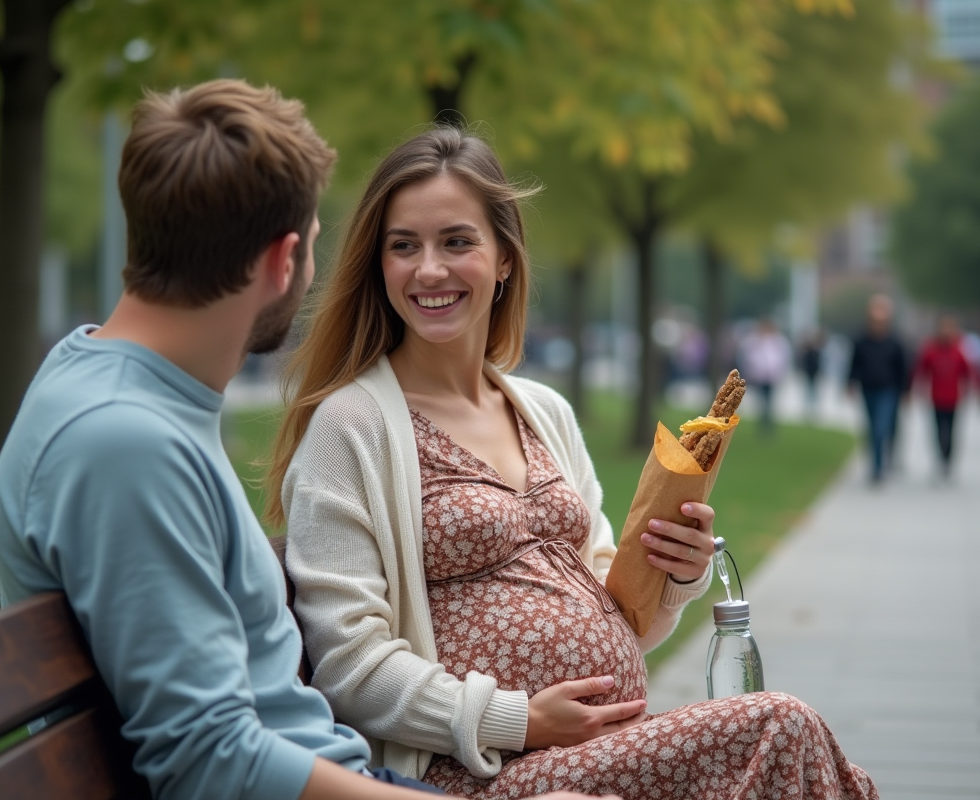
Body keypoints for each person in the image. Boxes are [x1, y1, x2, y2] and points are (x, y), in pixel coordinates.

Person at [0, 80, 597, 800]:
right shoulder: (124, 445)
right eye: (311, 245)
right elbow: (211, 762)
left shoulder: (110, 390)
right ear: (282, 261)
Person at [267, 127, 878, 799]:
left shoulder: (543, 410)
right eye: (403, 245)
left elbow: (624, 616)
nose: (429, 269)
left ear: (504, 258)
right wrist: (517, 720)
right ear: (378, 265)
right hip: (477, 772)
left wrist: (674, 575)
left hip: (604, 747)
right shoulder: (350, 426)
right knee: (779, 729)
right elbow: (348, 664)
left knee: (788, 747)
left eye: (457, 241)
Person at [847, 294, 908, 485]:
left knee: (882, 427)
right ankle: (876, 463)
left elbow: (902, 368)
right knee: (872, 428)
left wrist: (906, 390)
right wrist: (850, 383)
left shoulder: (894, 341)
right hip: (868, 388)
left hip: (889, 390)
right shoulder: (862, 340)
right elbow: (854, 364)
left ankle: (879, 467)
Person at [913, 315, 980, 478]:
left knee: (951, 432)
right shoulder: (930, 349)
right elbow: (921, 369)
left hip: (953, 398)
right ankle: (940, 459)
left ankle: (948, 461)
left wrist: (977, 388)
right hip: (936, 398)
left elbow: (968, 371)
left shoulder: (959, 349)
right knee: (938, 431)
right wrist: (916, 389)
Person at [738, 317, 791, 436]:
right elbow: (748, 357)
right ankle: (764, 423)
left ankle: (768, 424)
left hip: (772, 377)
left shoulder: (778, 341)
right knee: (762, 401)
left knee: (769, 401)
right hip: (759, 376)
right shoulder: (754, 341)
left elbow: (782, 358)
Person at [797, 329, 825, 418]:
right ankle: (808, 409)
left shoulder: (816, 351)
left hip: (814, 373)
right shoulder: (809, 351)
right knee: (809, 391)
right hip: (809, 373)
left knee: (813, 391)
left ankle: (813, 409)